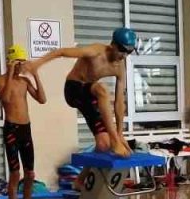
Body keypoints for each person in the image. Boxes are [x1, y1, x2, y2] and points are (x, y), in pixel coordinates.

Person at [26, 28, 136, 157]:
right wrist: (37, 64)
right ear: (113, 45)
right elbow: (61, 52)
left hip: (89, 96)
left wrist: (120, 133)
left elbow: (119, 103)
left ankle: (82, 177)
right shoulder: (96, 51)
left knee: (103, 145)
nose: (124, 55)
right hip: (73, 90)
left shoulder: (120, 67)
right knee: (102, 89)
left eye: (129, 51)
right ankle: (115, 140)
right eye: (122, 50)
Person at [0, 45, 46, 199]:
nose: (20, 67)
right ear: (10, 62)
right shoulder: (1, 80)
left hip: (26, 129)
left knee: (30, 174)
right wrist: (9, 73)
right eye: (18, 63)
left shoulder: (25, 81)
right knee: (15, 174)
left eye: (22, 63)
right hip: (11, 129)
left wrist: (35, 75)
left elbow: (42, 99)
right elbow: (6, 98)